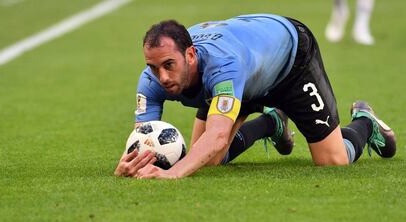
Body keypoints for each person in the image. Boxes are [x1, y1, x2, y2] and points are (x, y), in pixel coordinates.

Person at [114, 14, 396, 179]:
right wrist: (130, 163)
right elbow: (145, 138)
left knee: (333, 161)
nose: (161, 77)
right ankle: (272, 123)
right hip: (247, 73)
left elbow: (217, 138)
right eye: (153, 67)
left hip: (290, 60)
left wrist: (171, 174)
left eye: (168, 65)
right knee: (208, 159)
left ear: (190, 55)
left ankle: (365, 123)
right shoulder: (150, 80)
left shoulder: (222, 66)